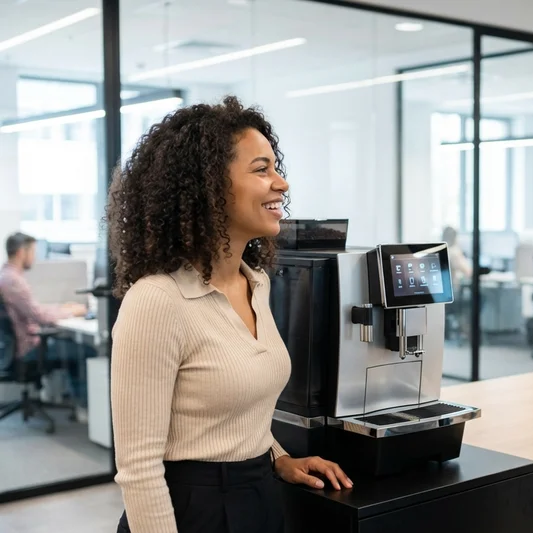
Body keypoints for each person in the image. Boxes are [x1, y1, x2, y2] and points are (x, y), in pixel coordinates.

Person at [107, 96, 351, 533]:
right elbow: (139, 468)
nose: (282, 184)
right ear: (208, 187)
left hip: (257, 495)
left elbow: (239, 412)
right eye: (261, 170)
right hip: (188, 510)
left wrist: (279, 459)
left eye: (277, 168)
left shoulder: (256, 283)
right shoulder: (157, 302)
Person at [0, 232, 90, 404]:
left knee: (70, 346)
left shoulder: (7, 276)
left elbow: (33, 310)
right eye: (33, 252)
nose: (34, 257)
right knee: (84, 351)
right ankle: (84, 407)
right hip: (27, 349)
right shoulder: (13, 281)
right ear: (21, 252)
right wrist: (72, 312)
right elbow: (39, 316)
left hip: (14, 348)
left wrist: (62, 308)